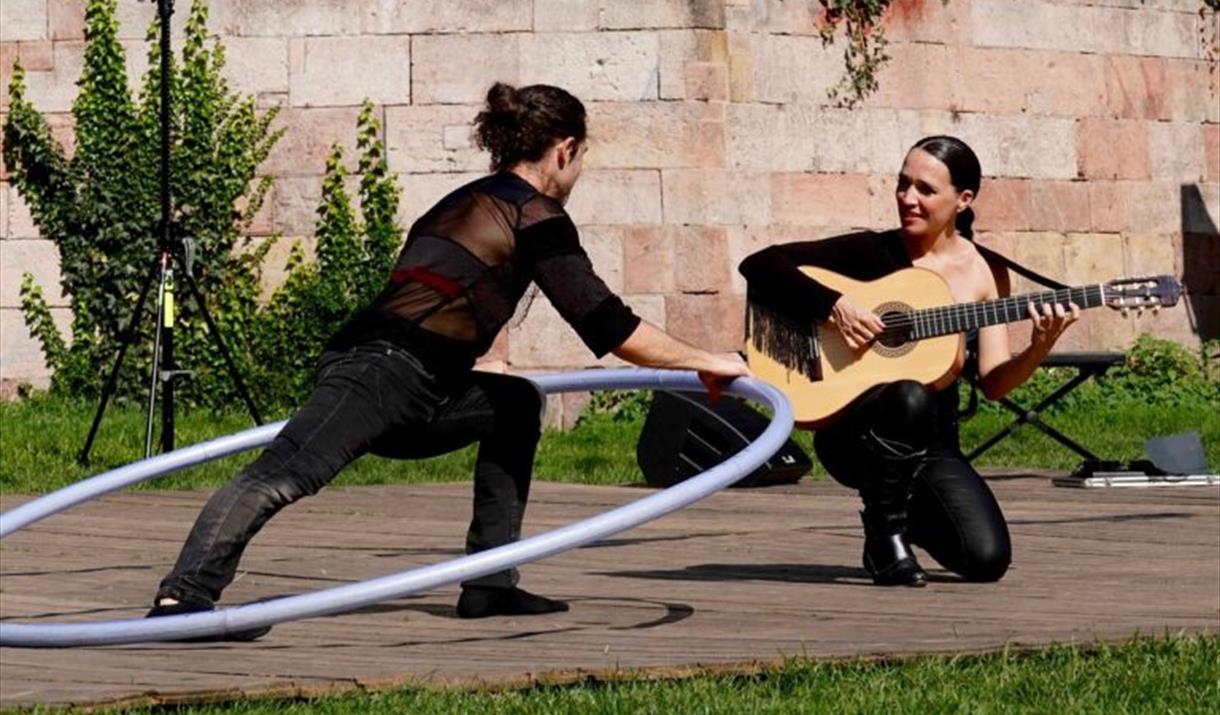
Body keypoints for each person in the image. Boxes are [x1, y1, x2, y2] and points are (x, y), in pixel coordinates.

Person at [147, 83, 750, 637]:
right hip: (381, 370)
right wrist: (707, 360)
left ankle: (490, 582)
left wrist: (465, 364)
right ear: (565, 150)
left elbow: (450, 294)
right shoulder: (536, 215)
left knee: (515, 403)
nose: (579, 170)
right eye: (583, 156)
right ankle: (182, 599)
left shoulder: (462, 200)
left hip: (422, 383)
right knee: (283, 473)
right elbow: (608, 325)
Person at [738, 136, 1078, 588]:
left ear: (964, 200)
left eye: (924, 189)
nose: (907, 199)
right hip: (853, 433)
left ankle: (902, 506)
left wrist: (1039, 346)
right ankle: (884, 537)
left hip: (933, 444)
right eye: (903, 184)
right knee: (908, 393)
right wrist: (834, 304)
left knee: (985, 559)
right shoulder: (870, 253)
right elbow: (760, 264)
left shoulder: (986, 272)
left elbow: (994, 382)